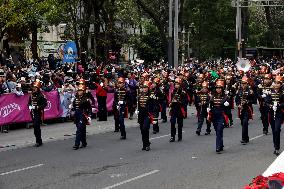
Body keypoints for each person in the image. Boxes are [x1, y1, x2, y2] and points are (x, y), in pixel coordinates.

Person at [208, 79, 230, 153]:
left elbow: (228, 107)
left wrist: (227, 105)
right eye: (217, 88)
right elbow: (210, 104)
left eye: (219, 88)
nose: (218, 89)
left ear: (222, 89)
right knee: (217, 131)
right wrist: (208, 109)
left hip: (221, 115)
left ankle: (217, 147)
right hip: (214, 115)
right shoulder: (213, 96)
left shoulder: (225, 97)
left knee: (219, 130)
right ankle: (221, 144)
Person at [265, 75, 284, 156]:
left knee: (277, 129)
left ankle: (277, 148)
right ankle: (275, 146)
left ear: (280, 84)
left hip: (279, 113)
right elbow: (266, 102)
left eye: (278, 83)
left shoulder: (283, 93)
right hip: (271, 113)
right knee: (274, 131)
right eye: (275, 83)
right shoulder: (270, 92)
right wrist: (271, 106)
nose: (276, 84)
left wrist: (279, 105)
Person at [137, 80, 157, 151]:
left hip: (147, 115)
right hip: (141, 115)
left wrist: (154, 118)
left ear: (148, 88)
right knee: (142, 130)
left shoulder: (151, 96)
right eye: (143, 87)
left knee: (145, 128)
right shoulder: (139, 96)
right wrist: (136, 110)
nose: (144, 89)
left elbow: (154, 107)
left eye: (146, 87)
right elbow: (138, 105)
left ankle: (147, 144)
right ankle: (144, 144)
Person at [72, 81, 92, 150]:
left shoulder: (86, 99)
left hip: (82, 115)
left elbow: (89, 108)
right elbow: (75, 107)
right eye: (78, 90)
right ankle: (84, 142)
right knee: (82, 130)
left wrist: (89, 115)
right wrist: (71, 107)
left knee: (79, 130)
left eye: (80, 91)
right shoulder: (75, 98)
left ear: (83, 91)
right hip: (76, 115)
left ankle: (76, 144)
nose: (79, 92)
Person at [28, 80, 47, 147]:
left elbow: (45, 104)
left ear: (38, 88)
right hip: (32, 112)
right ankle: (39, 140)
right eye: (33, 88)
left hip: (38, 112)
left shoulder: (41, 95)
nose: (34, 89)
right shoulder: (31, 95)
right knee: (35, 127)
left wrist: (38, 107)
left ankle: (38, 141)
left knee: (36, 126)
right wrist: (30, 106)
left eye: (35, 88)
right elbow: (29, 103)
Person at [236, 76, 254, 145]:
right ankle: (246, 137)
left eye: (244, 83)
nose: (243, 84)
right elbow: (237, 99)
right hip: (241, 109)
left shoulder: (250, 91)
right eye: (242, 83)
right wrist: (238, 105)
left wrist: (247, 101)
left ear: (247, 84)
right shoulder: (239, 90)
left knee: (245, 123)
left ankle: (243, 138)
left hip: (247, 109)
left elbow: (253, 100)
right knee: (242, 123)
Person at [169, 77, 187, 142]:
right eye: (175, 84)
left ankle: (179, 136)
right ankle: (172, 136)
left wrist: (179, 101)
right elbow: (171, 100)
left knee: (179, 124)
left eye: (178, 84)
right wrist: (171, 103)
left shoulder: (183, 92)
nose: (176, 85)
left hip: (180, 109)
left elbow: (185, 102)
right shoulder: (173, 91)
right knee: (172, 122)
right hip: (174, 109)